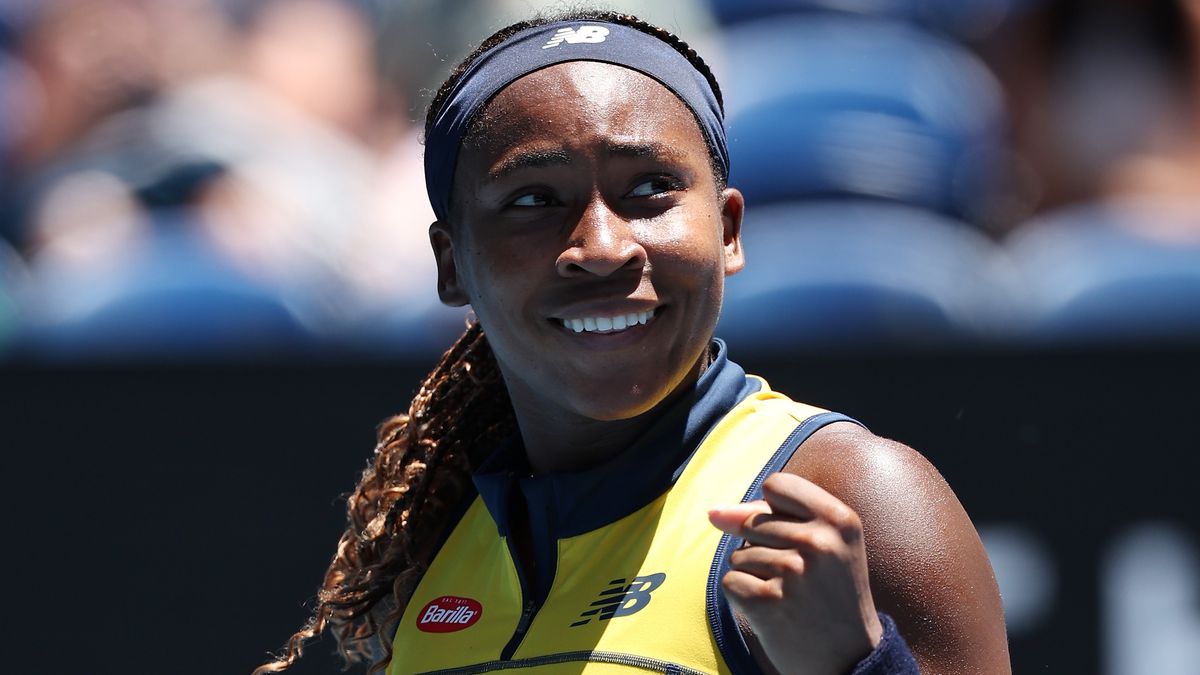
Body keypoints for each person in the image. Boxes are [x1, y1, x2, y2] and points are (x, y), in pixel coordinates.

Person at [256, 10, 1010, 675]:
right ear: (452, 264)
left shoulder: (859, 493)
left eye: (648, 188)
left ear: (729, 230)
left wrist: (856, 667)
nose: (603, 245)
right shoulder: (436, 548)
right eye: (533, 199)